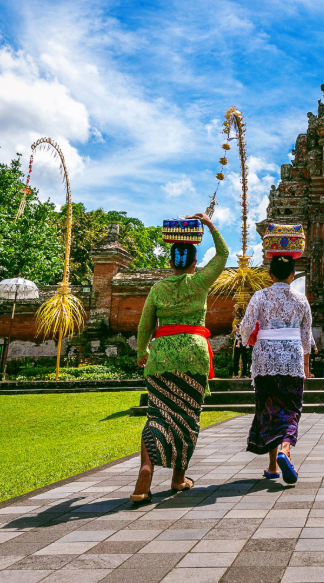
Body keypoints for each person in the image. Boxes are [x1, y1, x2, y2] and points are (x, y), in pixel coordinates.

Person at [131, 213, 227, 501]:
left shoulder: (158, 288)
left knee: (157, 414)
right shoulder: (200, 282)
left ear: (171, 262)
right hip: (194, 356)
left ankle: (146, 470)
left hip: (160, 357)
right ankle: (177, 478)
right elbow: (223, 254)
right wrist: (210, 225)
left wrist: (141, 352)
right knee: (187, 418)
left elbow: (145, 325)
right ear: (194, 262)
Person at [238, 224, 312, 484]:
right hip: (292, 358)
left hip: (265, 359)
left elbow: (245, 328)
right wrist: (305, 366)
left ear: (270, 275)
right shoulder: (301, 299)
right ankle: (285, 450)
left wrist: (248, 343)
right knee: (291, 408)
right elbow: (306, 337)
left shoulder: (260, 295)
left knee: (268, 409)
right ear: (293, 275)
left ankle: (272, 467)